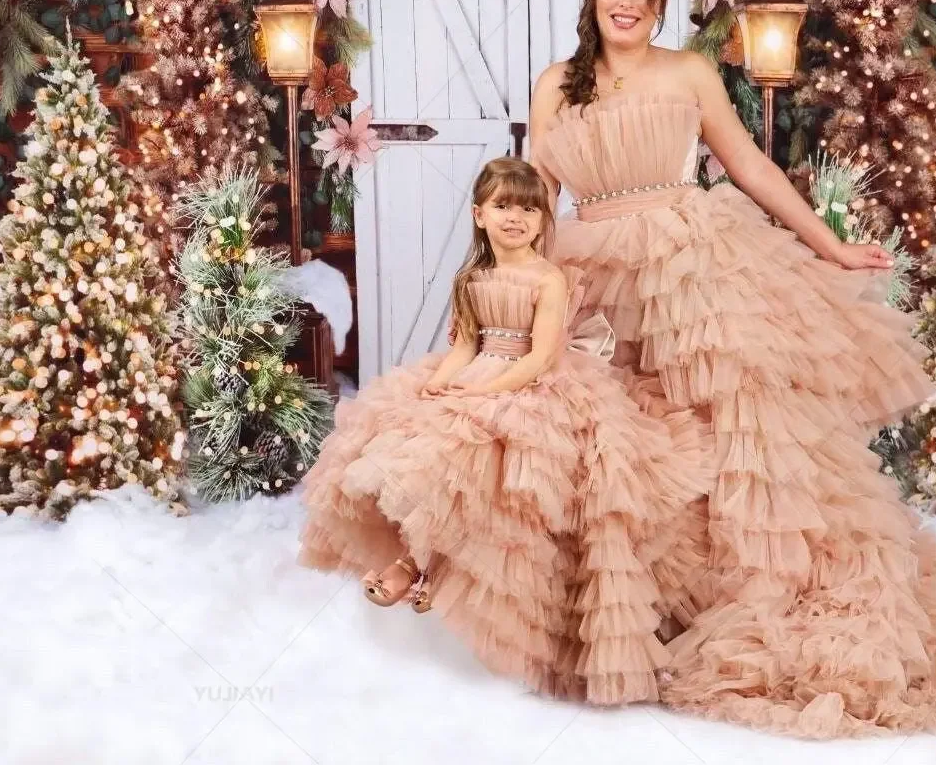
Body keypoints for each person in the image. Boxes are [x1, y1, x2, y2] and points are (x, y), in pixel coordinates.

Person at [528, 0, 936, 738]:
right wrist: (502, 273)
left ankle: (745, 599)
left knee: (733, 430)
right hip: (592, 267)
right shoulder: (557, 84)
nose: (626, 3)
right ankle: (635, 616)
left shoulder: (689, 72)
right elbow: (536, 189)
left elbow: (750, 166)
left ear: (661, 3)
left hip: (685, 266)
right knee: (621, 438)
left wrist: (831, 244)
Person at [298, 156, 706, 704]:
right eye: (503, 206)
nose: (516, 217)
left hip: (530, 384)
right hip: (478, 371)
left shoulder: (548, 278)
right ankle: (419, 561)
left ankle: (427, 570)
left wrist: (486, 391)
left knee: (499, 473)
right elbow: (466, 343)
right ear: (480, 215)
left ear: (542, 221)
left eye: (529, 208)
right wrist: (441, 383)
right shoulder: (473, 278)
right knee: (428, 452)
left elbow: (540, 355)